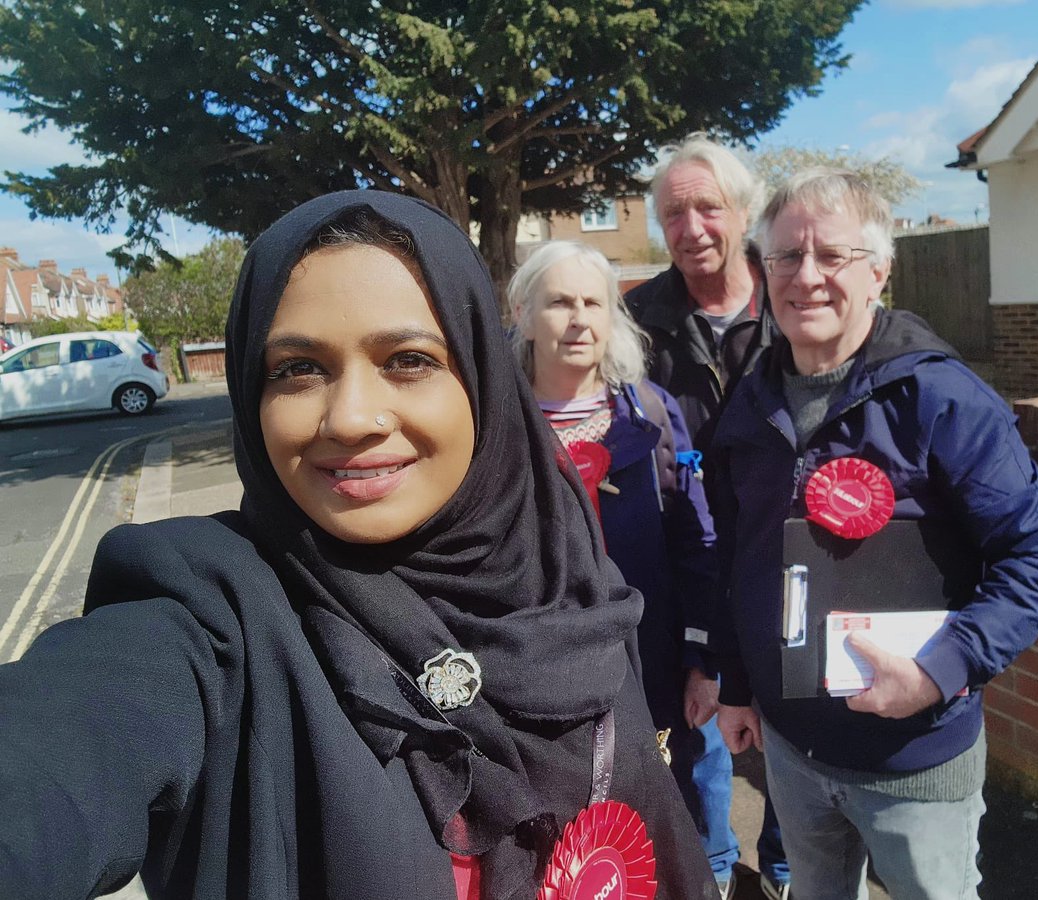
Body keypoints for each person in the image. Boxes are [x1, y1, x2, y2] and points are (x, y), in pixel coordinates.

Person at [0, 192, 718, 900]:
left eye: (407, 359)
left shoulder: (566, 571)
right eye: (297, 370)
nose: (350, 418)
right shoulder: (206, 615)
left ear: (480, 380)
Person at [712, 168, 1038, 900]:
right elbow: (740, 557)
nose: (806, 276)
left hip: (915, 759)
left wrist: (941, 671)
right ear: (764, 271)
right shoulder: (749, 402)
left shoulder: (942, 398)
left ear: (879, 272)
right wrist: (736, 686)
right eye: (786, 257)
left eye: (832, 255)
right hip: (790, 747)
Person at [508, 240, 733, 895]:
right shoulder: (487, 426)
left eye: (592, 302)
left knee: (691, 817)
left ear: (612, 318)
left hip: (659, 669)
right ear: (523, 314)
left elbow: (698, 545)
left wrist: (702, 659)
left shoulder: (653, 415)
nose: (578, 318)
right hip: (544, 679)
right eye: (558, 302)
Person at [626, 133, 789, 899]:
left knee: (792, 719)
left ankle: (791, 867)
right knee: (699, 724)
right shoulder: (637, 320)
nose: (690, 229)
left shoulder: (795, 299)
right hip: (687, 555)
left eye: (707, 208)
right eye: (672, 213)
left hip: (779, 545)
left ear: (743, 211)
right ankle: (716, 868)